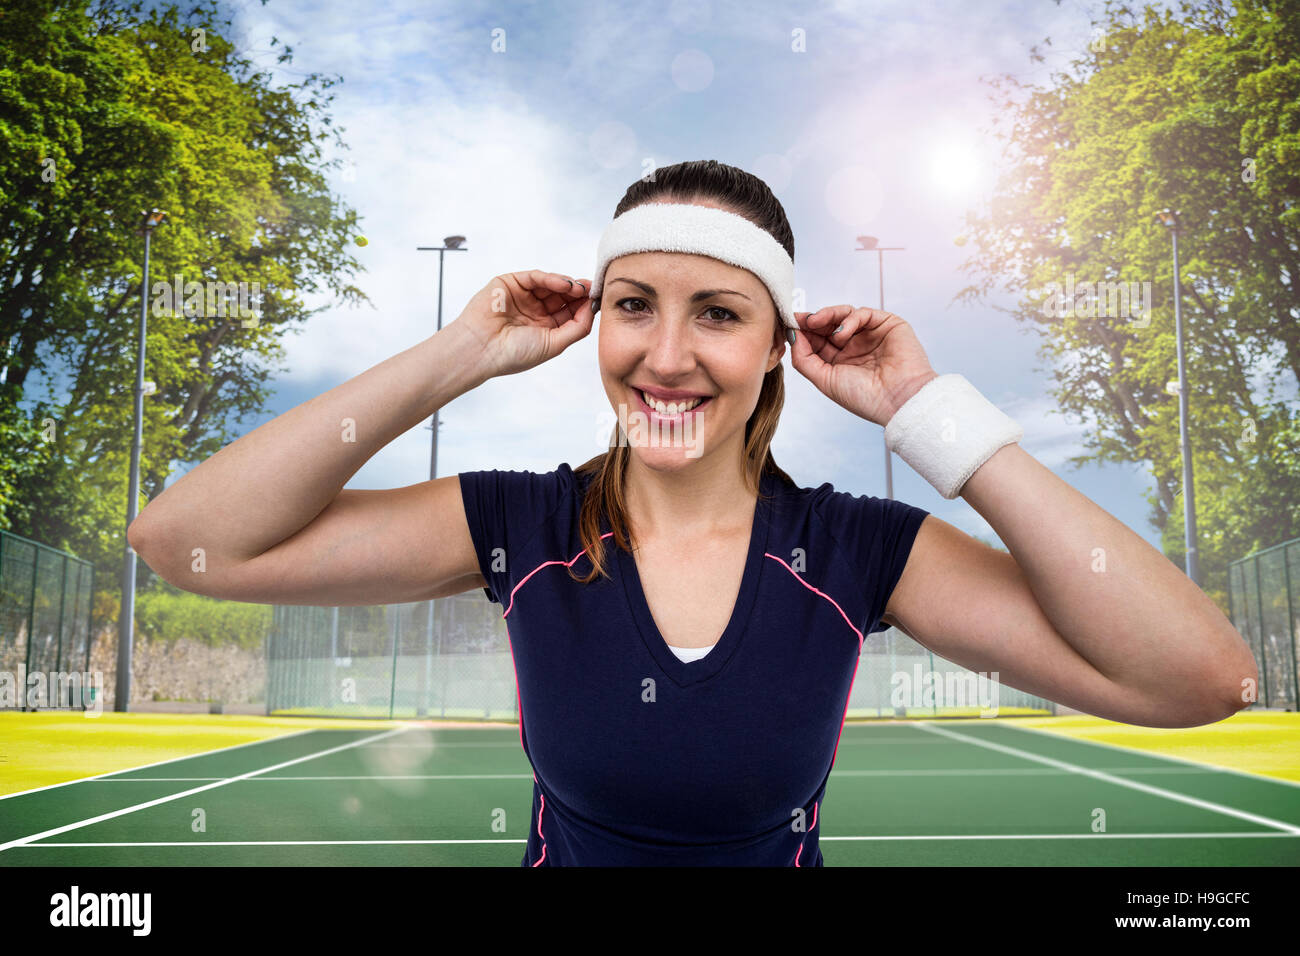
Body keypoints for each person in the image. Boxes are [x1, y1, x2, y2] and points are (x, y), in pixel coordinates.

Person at [129, 159, 1258, 867]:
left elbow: (1199, 678)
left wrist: (927, 413)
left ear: (777, 348)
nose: (664, 358)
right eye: (633, 307)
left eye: (716, 313)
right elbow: (188, 540)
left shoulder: (859, 550)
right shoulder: (524, 527)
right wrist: (462, 352)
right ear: (596, 325)